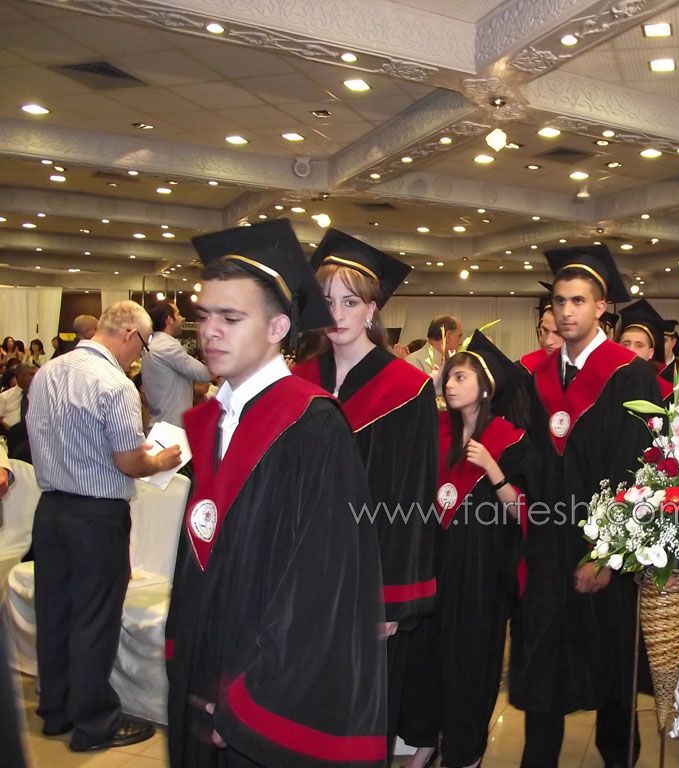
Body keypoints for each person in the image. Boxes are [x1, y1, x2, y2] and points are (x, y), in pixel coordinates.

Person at [165, 220, 386, 768]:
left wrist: (253, 700)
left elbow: (320, 586)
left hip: (259, 686)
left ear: (278, 327)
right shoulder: (214, 420)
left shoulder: (312, 426)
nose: (210, 331)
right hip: (203, 658)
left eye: (230, 317)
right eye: (204, 316)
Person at [510, 245, 661, 768]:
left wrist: (606, 555)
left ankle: (619, 760)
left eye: (578, 301)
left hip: (602, 554)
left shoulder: (630, 374)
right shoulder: (533, 375)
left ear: (601, 307)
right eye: (559, 301)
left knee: (612, 675)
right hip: (546, 548)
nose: (566, 311)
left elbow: (637, 472)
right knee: (543, 673)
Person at [289, 228, 437, 752]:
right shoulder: (298, 380)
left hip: (367, 576)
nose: (336, 313)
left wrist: (392, 601)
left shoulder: (408, 389)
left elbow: (412, 504)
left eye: (349, 301)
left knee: (360, 714)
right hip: (302, 572)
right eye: (327, 300)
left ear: (372, 309)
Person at [26, 301, 182, 752]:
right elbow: (130, 462)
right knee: (95, 618)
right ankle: (94, 722)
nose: (139, 357)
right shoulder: (114, 384)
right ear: (130, 334)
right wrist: (161, 460)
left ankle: (56, 710)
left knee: (54, 614)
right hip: (96, 515)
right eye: (142, 346)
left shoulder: (49, 371)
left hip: (50, 510)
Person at [402, 332, 534, 768]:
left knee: (471, 662)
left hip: (481, 572)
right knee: (428, 658)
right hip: (435, 564)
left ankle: (465, 750)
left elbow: (525, 512)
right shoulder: (435, 431)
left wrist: (493, 469)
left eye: (461, 377)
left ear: (486, 386)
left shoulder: (510, 440)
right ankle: (427, 739)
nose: (450, 384)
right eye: (449, 376)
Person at [141, 301, 210, 427]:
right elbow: (205, 374)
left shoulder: (153, 345)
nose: (182, 318)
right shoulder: (168, 347)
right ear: (169, 319)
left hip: (161, 423)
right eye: (178, 314)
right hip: (171, 427)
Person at [616, 299, 674, 401]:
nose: (631, 350)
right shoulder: (605, 383)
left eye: (639, 345)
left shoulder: (665, 392)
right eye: (625, 344)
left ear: (651, 353)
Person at [405, 314, 463, 393]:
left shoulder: (452, 363)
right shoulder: (413, 362)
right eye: (459, 336)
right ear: (448, 336)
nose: (460, 342)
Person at [520, 283, 563, 374]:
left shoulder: (592, 368)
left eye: (558, 333)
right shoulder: (527, 367)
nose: (548, 342)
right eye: (545, 330)